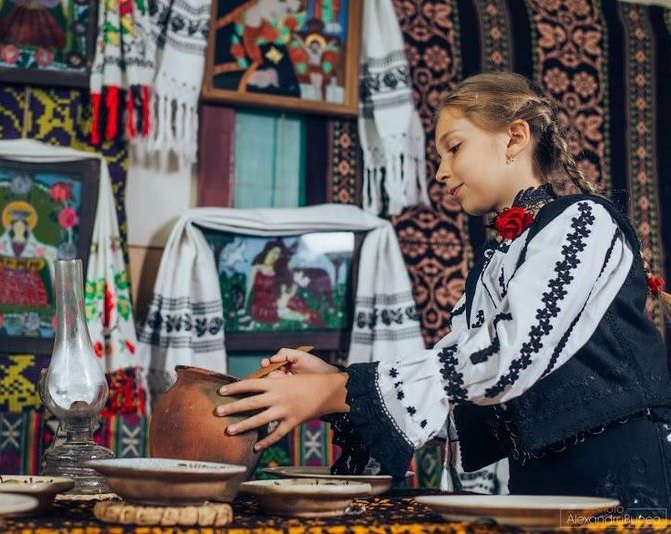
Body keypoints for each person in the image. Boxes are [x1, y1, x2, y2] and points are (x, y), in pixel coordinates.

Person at [216, 72, 671, 508]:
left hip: (620, 479)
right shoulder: (498, 260)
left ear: (515, 138)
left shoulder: (583, 221)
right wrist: (335, 381)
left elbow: (510, 357)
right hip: (541, 487)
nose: (440, 172)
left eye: (454, 148)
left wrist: (337, 389)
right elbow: (459, 391)